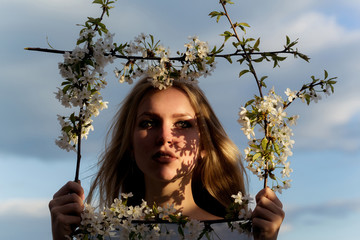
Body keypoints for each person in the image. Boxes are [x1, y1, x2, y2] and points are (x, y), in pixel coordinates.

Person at [49, 76, 285, 240]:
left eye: (182, 124)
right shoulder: (100, 234)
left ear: (204, 144)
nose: (165, 137)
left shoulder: (239, 234)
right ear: (129, 143)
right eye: (148, 123)